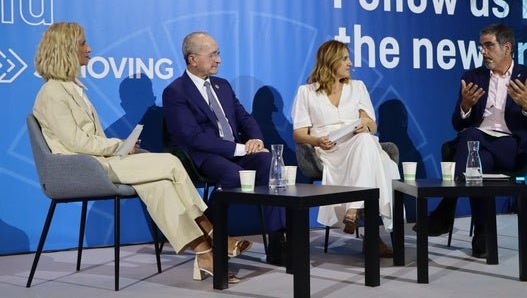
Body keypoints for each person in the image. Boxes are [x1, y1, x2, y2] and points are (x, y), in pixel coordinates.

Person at [32, 22, 251, 283]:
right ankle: (213, 231)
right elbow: (76, 142)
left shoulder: (73, 88)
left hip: (100, 160)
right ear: (65, 49)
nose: (89, 49)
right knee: (169, 163)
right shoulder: (52, 92)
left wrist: (122, 148)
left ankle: (204, 254)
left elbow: (86, 139)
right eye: (82, 44)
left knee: (159, 186)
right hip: (82, 167)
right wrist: (118, 145)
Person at [426, 23, 527, 258]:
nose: (483, 51)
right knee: (476, 155)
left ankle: (447, 206)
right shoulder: (473, 77)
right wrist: (465, 106)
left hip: (513, 146)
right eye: (481, 46)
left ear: (506, 47)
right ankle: (483, 236)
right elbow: (458, 123)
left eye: (488, 45)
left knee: (471, 140)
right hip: (479, 146)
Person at [162, 31, 286, 265]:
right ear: (192, 59)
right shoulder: (175, 92)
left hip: (236, 151)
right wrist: (238, 149)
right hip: (202, 156)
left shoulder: (222, 85)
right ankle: (210, 233)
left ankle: (277, 242)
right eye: (213, 55)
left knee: (269, 164)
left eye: (218, 53)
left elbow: (244, 118)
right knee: (233, 175)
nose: (218, 59)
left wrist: (256, 141)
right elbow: (192, 137)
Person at [291, 40, 401, 258]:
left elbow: (372, 123)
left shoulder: (357, 87)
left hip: (357, 144)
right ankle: (371, 236)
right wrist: (318, 141)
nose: (350, 63)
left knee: (366, 140)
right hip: (328, 151)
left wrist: (365, 126)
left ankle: (354, 209)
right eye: (344, 59)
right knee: (374, 155)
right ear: (330, 61)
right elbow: (299, 133)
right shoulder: (307, 92)